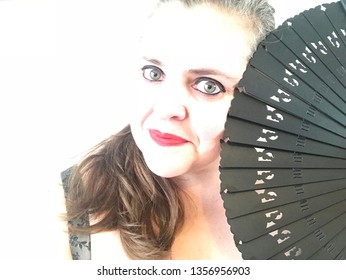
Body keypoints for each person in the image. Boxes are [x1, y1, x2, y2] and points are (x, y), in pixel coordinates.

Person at [60, 0, 275, 260]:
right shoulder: (64, 203)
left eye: (208, 86)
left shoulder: (307, 208)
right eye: (153, 73)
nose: (166, 108)